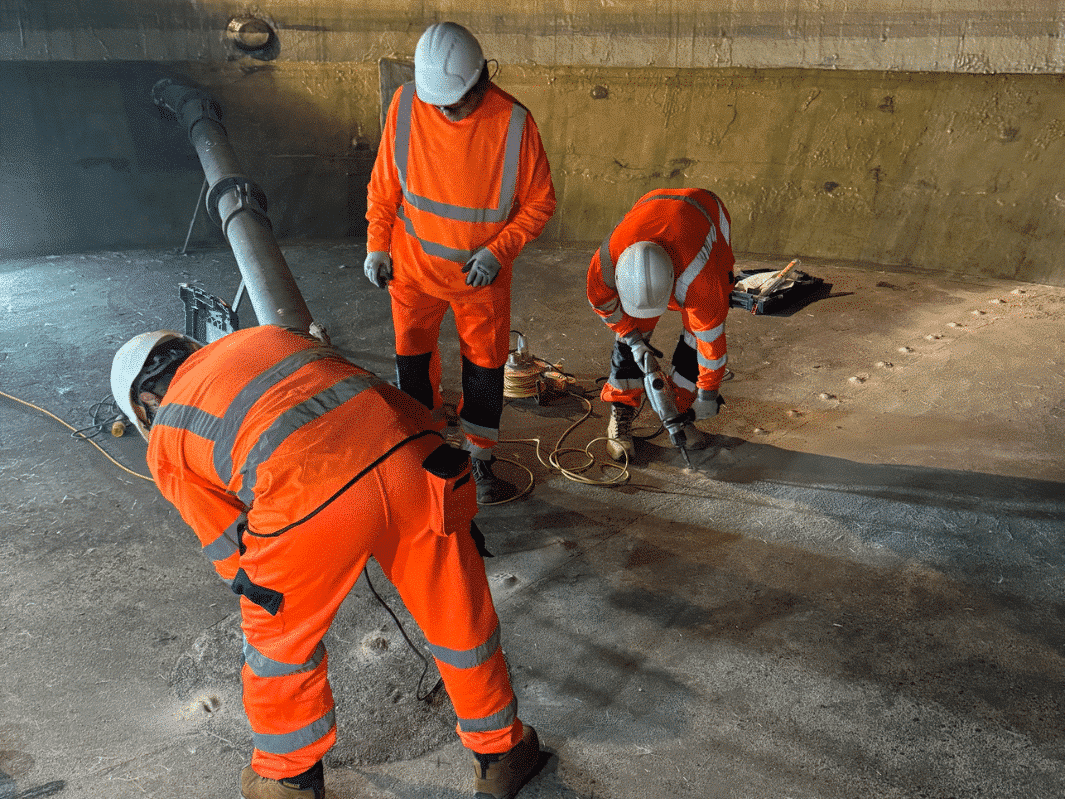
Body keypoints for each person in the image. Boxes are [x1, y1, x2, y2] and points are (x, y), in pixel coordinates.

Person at [110, 324, 543, 799]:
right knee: (457, 611)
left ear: (146, 402)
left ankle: (288, 780)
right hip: (418, 457)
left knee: (279, 644)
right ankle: (501, 754)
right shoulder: (264, 335)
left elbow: (230, 547)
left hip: (309, 493)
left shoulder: (167, 436)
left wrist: (277, 590)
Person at [364, 21, 556, 504]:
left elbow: (540, 203)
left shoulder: (514, 124)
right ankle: (422, 448)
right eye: (439, 103)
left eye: (454, 102)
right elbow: (384, 184)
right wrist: (377, 244)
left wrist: (498, 251)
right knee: (412, 364)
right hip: (411, 271)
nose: (444, 110)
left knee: (485, 370)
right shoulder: (407, 103)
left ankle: (479, 460)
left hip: (478, 279)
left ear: (482, 80)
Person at [586, 187, 735, 461]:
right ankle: (621, 410)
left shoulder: (701, 282)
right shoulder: (606, 265)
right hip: (652, 205)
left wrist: (707, 394)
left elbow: (710, 346)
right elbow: (604, 306)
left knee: (696, 337)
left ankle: (680, 410)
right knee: (634, 329)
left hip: (707, 214)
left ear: (673, 283)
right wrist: (633, 339)